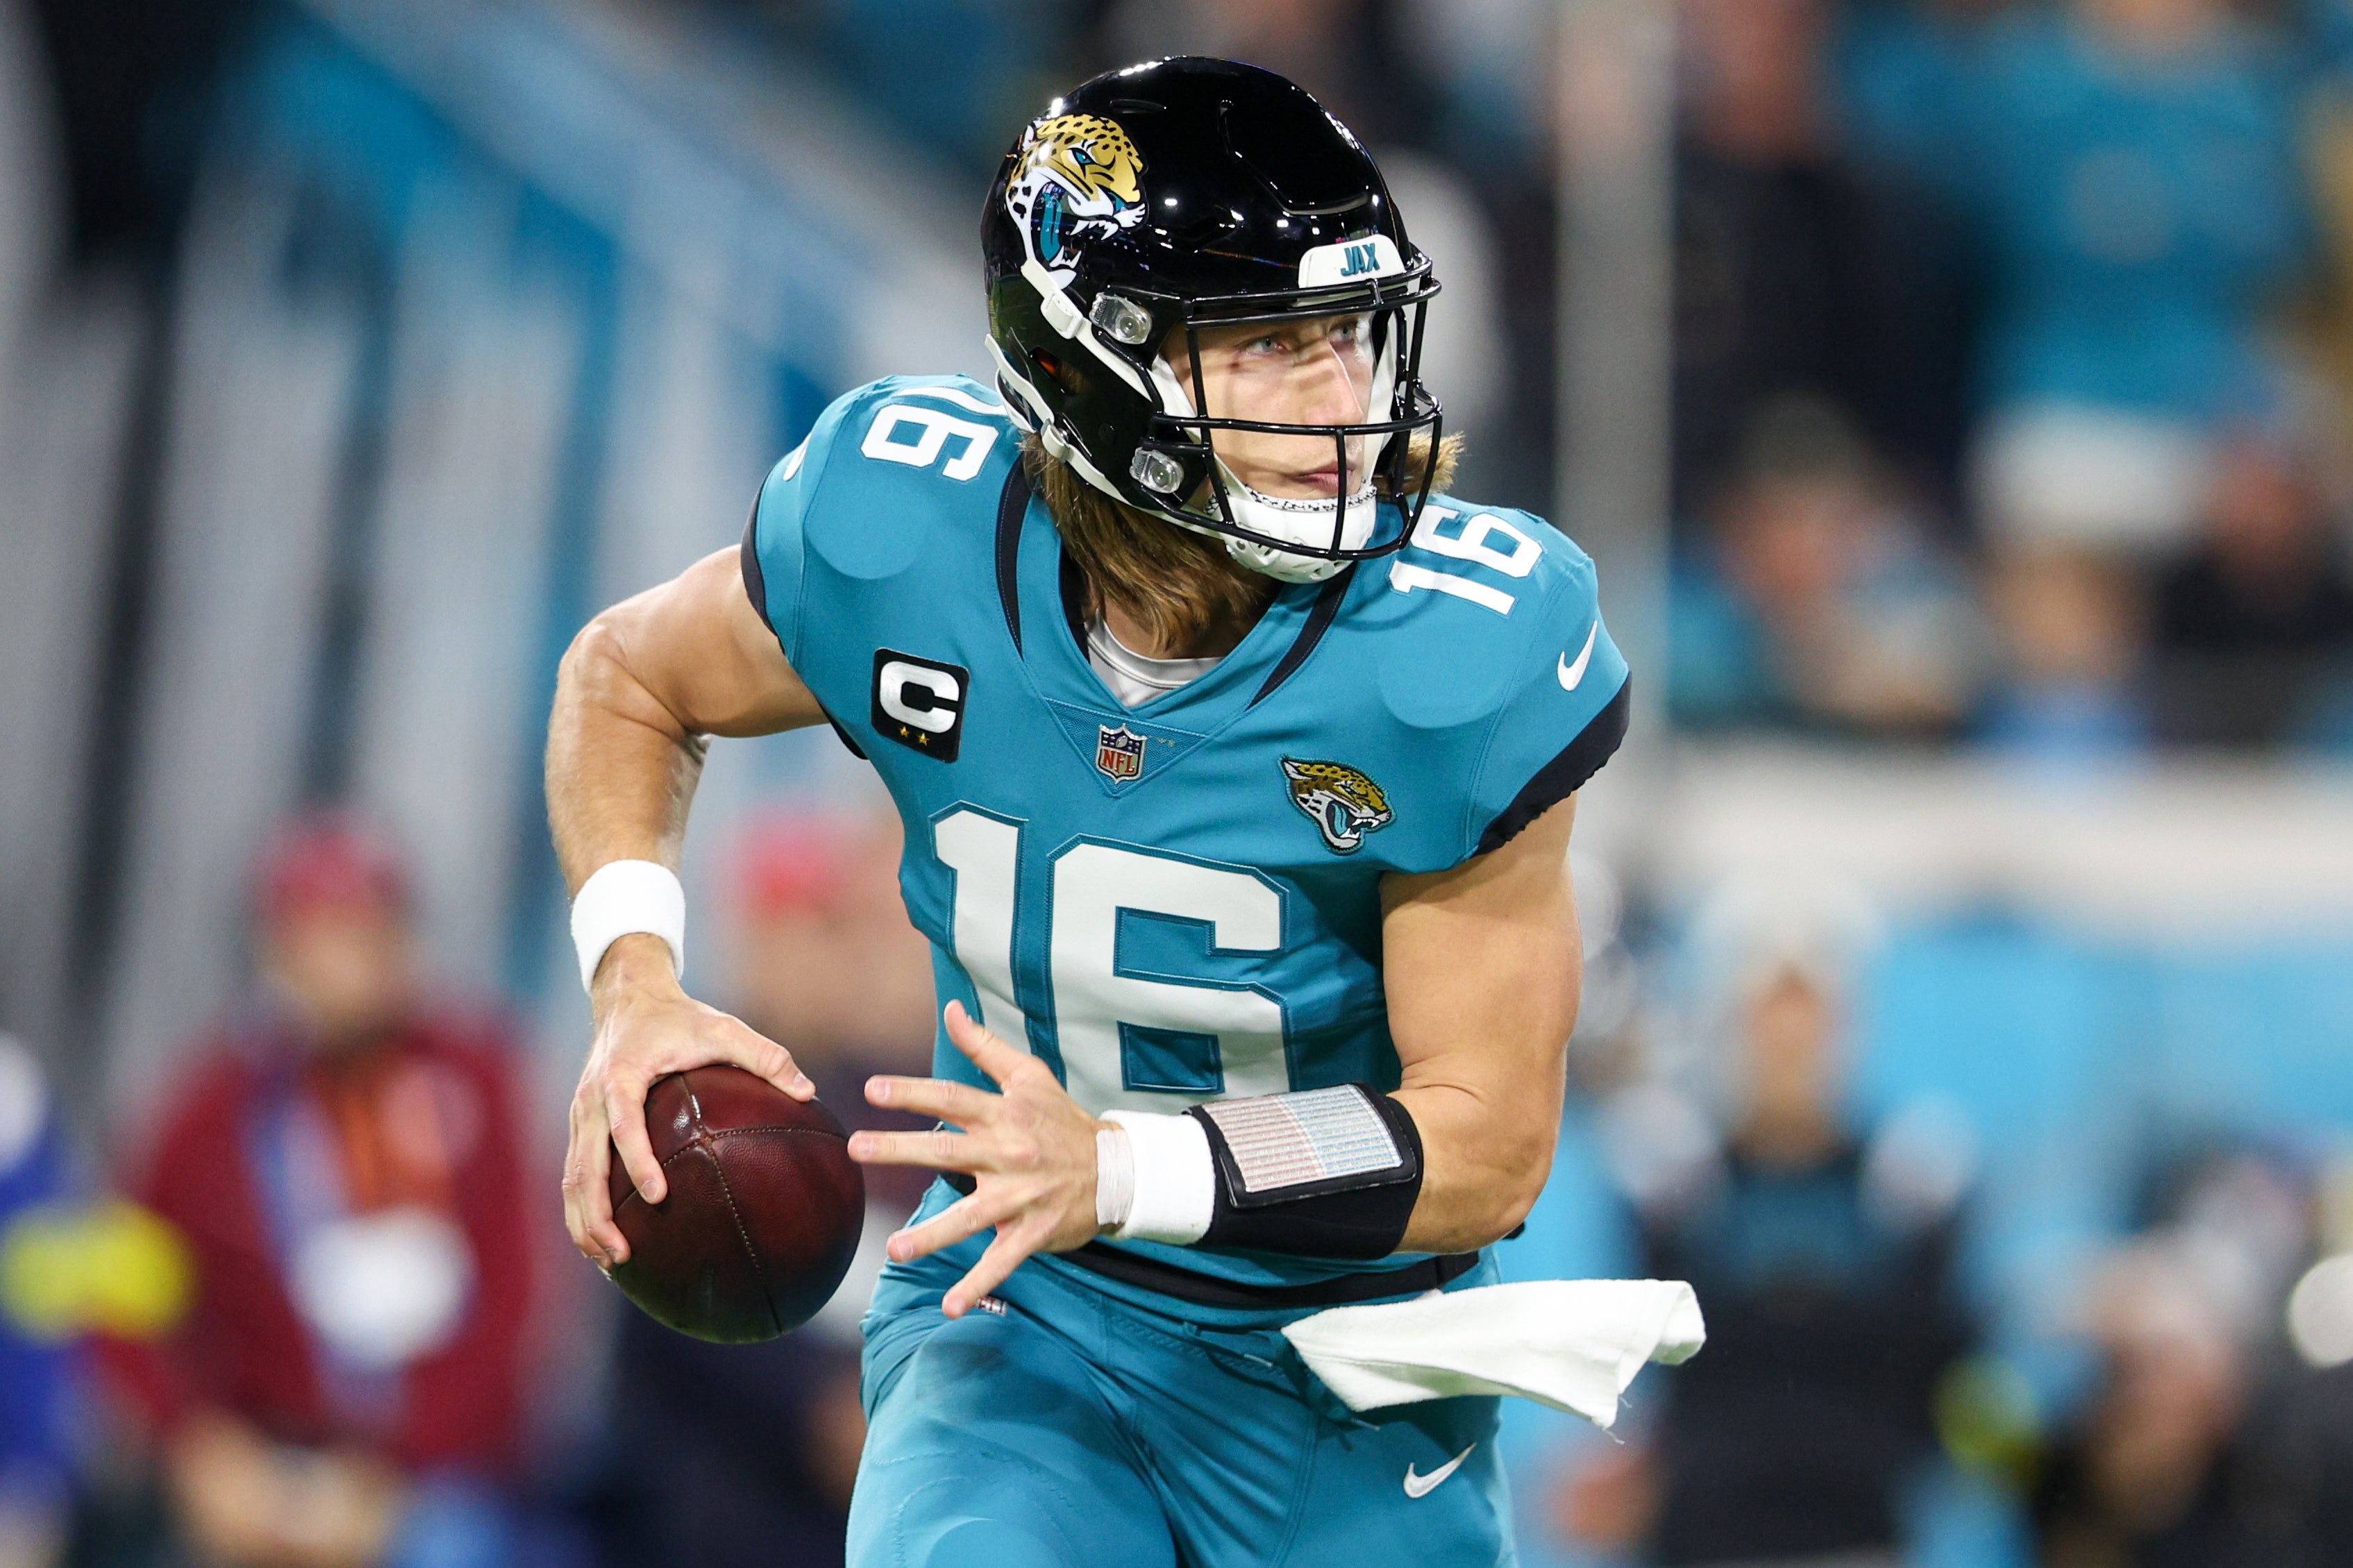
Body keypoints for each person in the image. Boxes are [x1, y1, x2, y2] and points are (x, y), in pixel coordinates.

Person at [550, 58, 1635, 1567]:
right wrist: (634, 985)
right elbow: (625, 678)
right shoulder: (901, 532)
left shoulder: (1450, 655)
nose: (1341, 404)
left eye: (1350, 337)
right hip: (1025, 1322)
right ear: (1090, 368)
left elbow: (1489, 1138)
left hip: (1336, 1369)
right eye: (1268, 348)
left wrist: (1117, 1166)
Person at [97, 813, 558, 1568]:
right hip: (257, 1468)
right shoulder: (214, 1105)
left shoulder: (475, 1080)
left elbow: (518, 1309)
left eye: (373, 930)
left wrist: (392, 1477)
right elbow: (121, 1291)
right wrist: (197, 1448)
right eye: (324, 933)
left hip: (429, 1482)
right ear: (275, 949)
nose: (352, 960)